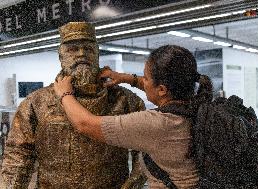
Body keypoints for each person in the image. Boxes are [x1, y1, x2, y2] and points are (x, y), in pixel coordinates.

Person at [1, 22, 147, 189]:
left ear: (97, 56)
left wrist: (131, 185)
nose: (81, 54)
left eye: (89, 49)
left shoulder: (126, 101)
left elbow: (145, 152)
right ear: (61, 57)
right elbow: (18, 157)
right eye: (73, 49)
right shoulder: (36, 102)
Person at [54, 45, 213, 188]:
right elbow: (158, 90)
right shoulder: (197, 105)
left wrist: (65, 94)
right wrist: (125, 78)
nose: (143, 81)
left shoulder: (157, 124)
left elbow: (85, 124)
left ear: (162, 89)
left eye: (146, 77)